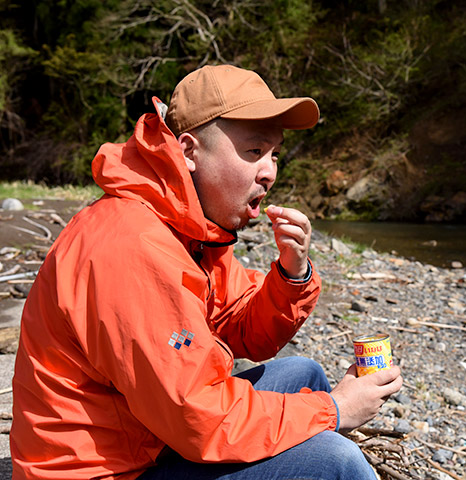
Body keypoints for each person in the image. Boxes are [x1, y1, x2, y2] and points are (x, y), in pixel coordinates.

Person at [10, 64, 403, 480]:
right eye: (254, 152)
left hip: (147, 435)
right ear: (188, 150)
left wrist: (293, 274)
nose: (269, 171)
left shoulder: (188, 229)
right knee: (335, 462)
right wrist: (335, 409)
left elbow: (243, 329)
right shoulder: (133, 245)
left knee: (302, 373)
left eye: (274, 154)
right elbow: (196, 416)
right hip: (105, 470)